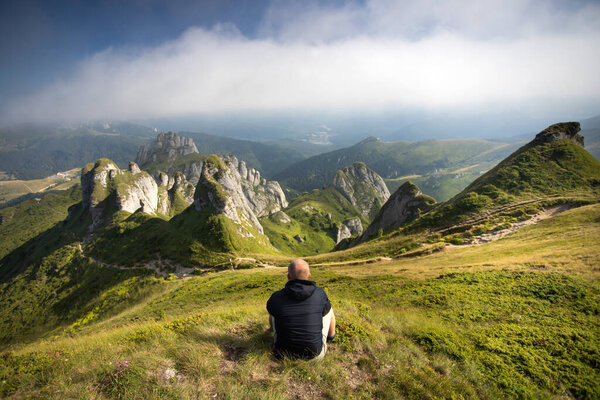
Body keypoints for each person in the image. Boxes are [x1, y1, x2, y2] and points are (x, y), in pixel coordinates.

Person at [266, 258, 336, 360]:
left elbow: (272, 313)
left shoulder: (277, 297)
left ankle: (272, 331)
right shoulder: (320, 294)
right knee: (328, 309)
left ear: (288, 276)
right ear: (309, 275)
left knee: (274, 310)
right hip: (314, 356)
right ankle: (331, 336)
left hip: (282, 355)